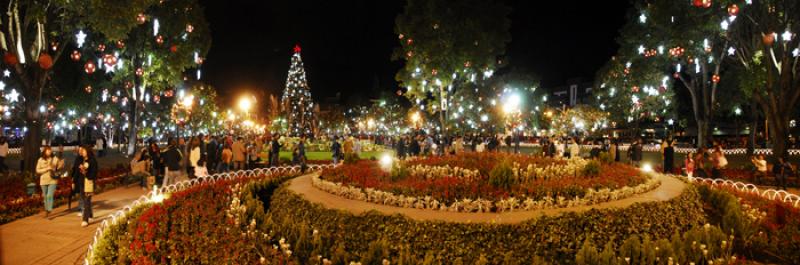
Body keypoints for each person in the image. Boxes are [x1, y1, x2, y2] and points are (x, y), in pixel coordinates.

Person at [36, 146, 62, 217]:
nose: (49, 152)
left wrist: (60, 164)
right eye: (48, 151)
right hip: (43, 180)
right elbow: (37, 170)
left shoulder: (55, 158)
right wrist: (47, 168)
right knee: (45, 196)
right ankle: (46, 210)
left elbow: (59, 167)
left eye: (50, 150)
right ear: (44, 151)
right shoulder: (40, 160)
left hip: (52, 179)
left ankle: (49, 209)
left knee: (49, 195)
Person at [80, 145, 98, 227]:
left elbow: (93, 173)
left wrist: (85, 172)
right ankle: (90, 215)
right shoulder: (84, 160)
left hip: (89, 183)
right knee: (86, 200)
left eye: (84, 151)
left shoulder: (92, 161)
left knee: (86, 201)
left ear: (88, 151)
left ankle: (85, 219)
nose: (82, 152)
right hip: (83, 183)